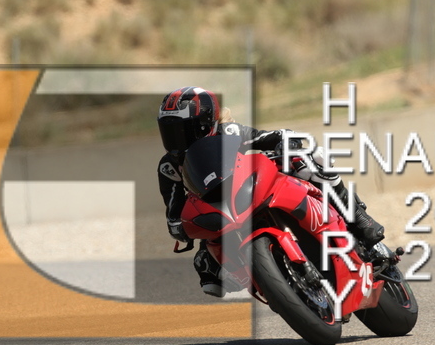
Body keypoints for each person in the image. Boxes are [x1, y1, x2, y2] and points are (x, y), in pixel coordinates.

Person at [157, 86, 384, 297]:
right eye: (169, 131)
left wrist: (284, 140)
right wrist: (181, 227)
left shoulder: (229, 132)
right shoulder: (169, 167)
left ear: (205, 123)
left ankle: (358, 218)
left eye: (182, 130)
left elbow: (267, 137)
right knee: (205, 266)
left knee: (313, 160)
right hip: (219, 212)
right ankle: (268, 281)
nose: (176, 139)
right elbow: (173, 213)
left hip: (252, 186)